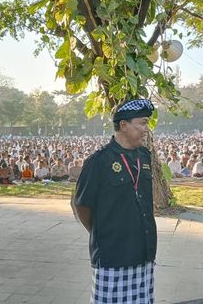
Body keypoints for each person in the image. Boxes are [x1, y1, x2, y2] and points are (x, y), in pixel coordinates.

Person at [72, 99, 157, 303]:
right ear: (124, 125)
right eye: (143, 123)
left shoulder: (144, 156)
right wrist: (102, 231)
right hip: (113, 254)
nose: (146, 129)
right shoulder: (99, 161)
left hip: (143, 251)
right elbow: (81, 205)